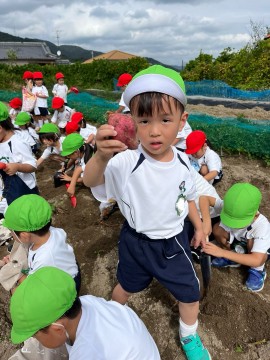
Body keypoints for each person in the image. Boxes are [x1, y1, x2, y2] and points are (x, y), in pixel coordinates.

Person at [83, 65, 210, 360]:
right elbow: (90, 181)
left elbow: (188, 197)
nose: (154, 130)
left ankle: (189, 337)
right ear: (133, 122)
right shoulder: (126, 162)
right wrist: (101, 155)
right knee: (124, 287)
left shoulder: (182, 162)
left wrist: (201, 227)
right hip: (135, 242)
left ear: (182, 121)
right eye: (144, 120)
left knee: (190, 295)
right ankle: (113, 321)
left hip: (173, 243)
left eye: (165, 120)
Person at [10, 266, 160, 359]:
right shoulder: (88, 301)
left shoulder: (87, 353)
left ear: (57, 328)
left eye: (35, 335)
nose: (35, 339)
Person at [2, 194, 80, 292]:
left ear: (25, 236)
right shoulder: (53, 232)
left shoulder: (44, 258)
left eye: (11, 232)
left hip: (65, 288)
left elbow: (34, 284)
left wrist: (16, 272)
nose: (11, 234)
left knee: (16, 292)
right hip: (68, 270)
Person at [204, 183, 270, 292]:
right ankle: (234, 257)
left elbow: (257, 259)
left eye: (238, 222)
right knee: (217, 228)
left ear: (254, 214)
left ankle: (258, 271)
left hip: (257, 253)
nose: (234, 225)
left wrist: (221, 252)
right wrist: (206, 222)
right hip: (238, 242)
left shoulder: (262, 226)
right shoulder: (230, 207)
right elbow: (204, 199)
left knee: (251, 243)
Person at [0, 102, 38, 205]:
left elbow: (33, 165)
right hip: (7, 187)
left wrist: (17, 166)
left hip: (24, 190)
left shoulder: (18, 142)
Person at [60, 133, 94, 197]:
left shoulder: (89, 161)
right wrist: (66, 166)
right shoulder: (84, 148)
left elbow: (86, 180)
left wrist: (70, 179)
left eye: (69, 154)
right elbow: (72, 159)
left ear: (76, 152)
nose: (68, 156)